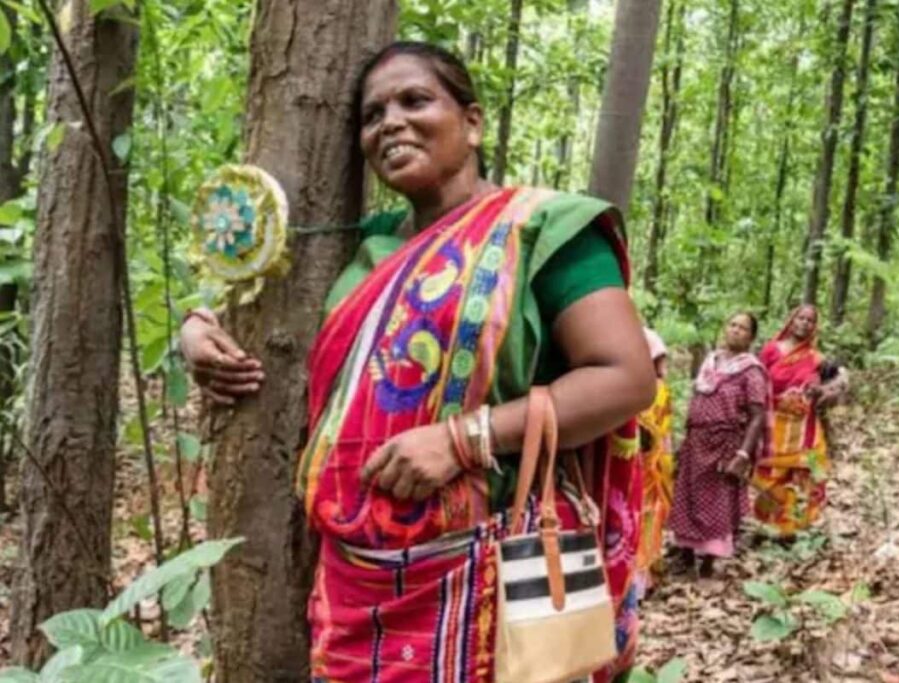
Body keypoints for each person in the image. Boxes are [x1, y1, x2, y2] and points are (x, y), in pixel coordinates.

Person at [179, 41, 655, 683]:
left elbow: (625, 379)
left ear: (474, 121)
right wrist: (198, 326)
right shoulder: (359, 247)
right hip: (350, 590)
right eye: (372, 115)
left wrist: (462, 440)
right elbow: (272, 322)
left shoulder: (547, 228)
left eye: (415, 100)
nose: (390, 123)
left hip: (487, 579)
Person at [668, 312, 767, 578]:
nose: (735, 330)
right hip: (696, 440)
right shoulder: (710, 362)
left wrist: (743, 454)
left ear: (751, 337)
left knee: (717, 500)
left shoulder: (751, 370)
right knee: (686, 498)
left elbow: (758, 415)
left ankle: (710, 562)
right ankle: (685, 556)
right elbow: (697, 398)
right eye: (732, 324)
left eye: (743, 328)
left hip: (724, 444)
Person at [751, 304, 847, 537]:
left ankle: (796, 529)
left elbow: (842, 379)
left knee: (808, 473)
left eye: (810, 321)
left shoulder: (817, 358)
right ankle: (770, 528)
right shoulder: (771, 350)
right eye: (800, 318)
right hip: (773, 426)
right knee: (771, 478)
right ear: (791, 321)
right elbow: (756, 380)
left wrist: (826, 390)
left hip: (805, 429)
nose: (804, 323)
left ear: (815, 327)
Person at [635, 329, 674, 598]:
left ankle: (642, 580)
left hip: (650, 468)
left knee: (646, 521)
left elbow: (665, 432)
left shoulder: (659, 390)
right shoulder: (625, 386)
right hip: (635, 465)